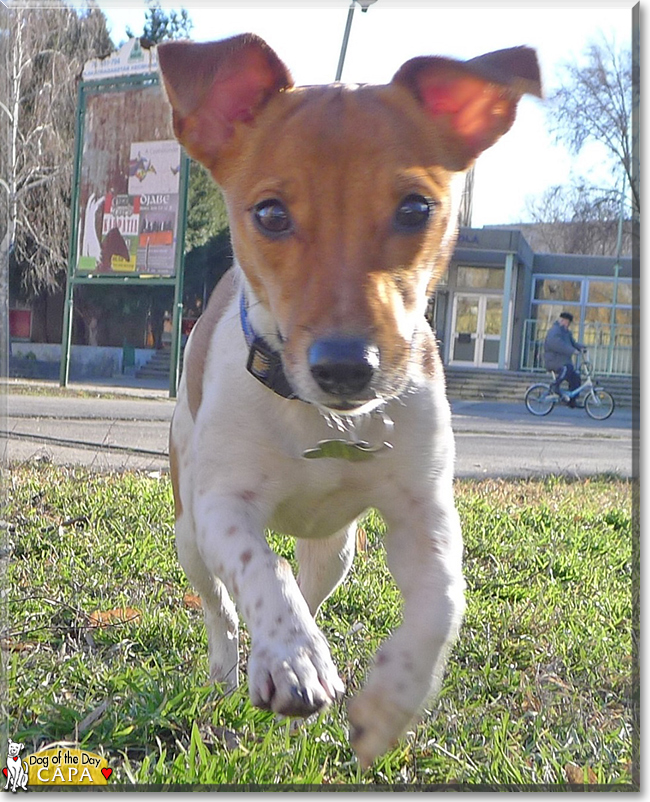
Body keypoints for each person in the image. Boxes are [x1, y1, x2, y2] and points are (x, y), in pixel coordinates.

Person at [543, 312, 586, 408]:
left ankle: (572, 400)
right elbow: (557, 344)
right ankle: (555, 386)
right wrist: (572, 351)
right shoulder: (555, 331)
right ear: (562, 321)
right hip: (553, 361)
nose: (568, 325)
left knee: (576, 377)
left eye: (569, 323)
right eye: (567, 323)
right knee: (567, 368)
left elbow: (572, 343)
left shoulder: (567, 333)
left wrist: (581, 348)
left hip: (563, 361)